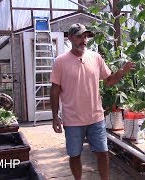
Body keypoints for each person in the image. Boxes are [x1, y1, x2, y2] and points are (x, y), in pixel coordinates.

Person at [50, 23, 135, 180]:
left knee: (103, 153)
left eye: (85, 36)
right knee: (75, 155)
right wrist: (55, 116)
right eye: (79, 36)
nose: (84, 40)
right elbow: (54, 90)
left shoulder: (95, 57)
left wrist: (122, 71)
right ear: (70, 38)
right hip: (72, 119)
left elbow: (109, 81)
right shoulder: (60, 61)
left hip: (96, 117)